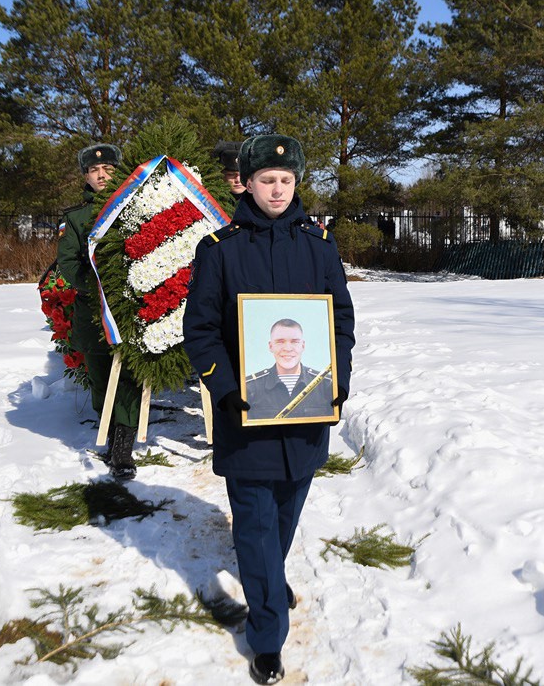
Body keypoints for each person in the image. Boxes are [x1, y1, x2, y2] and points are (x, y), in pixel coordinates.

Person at [182, 134, 354, 685]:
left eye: (286, 181)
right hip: (247, 419)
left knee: (286, 513)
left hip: (305, 414)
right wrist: (228, 390)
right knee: (255, 526)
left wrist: (337, 380)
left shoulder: (319, 244)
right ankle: (267, 636)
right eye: (266, 180)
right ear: (247, 183)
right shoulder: (220, 249)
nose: (277, 190)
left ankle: (268, 582)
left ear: (296, 183)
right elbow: (201, 330)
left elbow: (340, 323)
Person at [56, 142, 140, 481]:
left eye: (106, 169)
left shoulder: (135, 208)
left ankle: (123, 444)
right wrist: (101, 290)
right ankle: (107, 427)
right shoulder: (75, 219)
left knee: (132, 374)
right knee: (101, 374)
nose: (101, 175)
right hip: (94, 312)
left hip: (132, 311)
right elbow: (68, 263)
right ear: (86, 176)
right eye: (93, 171)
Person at [244, 318, 335, 421]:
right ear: (270, 346)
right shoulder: (249, 388)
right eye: (280, 342)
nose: (287, 348)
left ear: (303, 345)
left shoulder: (327, 385)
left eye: (294, 342)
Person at [214, 140, 246, 215]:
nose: (238, 180)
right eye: (231, 175)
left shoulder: (262, 202)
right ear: (222, 176)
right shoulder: (212, 202)